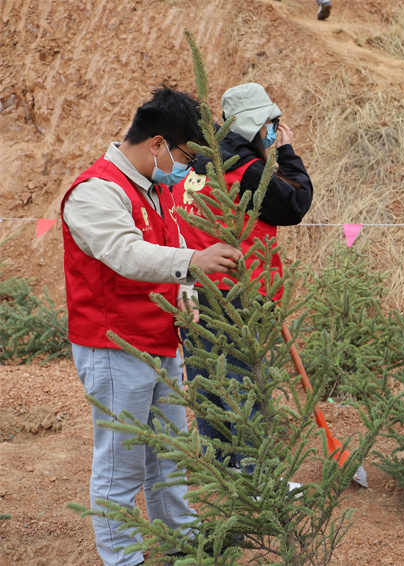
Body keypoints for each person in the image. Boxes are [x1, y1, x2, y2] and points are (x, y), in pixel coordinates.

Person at [62, 87, 243, 566]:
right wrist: (193, 261)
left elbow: (169, 244)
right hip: (114, 347)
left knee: (169, 454)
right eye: (185, 155)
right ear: (158, 144)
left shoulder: (157, 189)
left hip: (161, 342)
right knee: (120, 464)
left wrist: (186, 297)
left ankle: (181, 537)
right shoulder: (94, 191)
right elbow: (126, 254)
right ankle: (123, 557)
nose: (187, 167)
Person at [172, 82, 313, 480]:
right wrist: (287, 153)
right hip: (241, 297)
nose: (274, 130)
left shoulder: (194, 166)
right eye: (272, 124)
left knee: (208, 385)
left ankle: (220, 473)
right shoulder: (245, 170)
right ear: (256, 125)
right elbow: (295, 203)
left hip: (194, 295)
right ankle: (260, 479)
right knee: (246, 384)